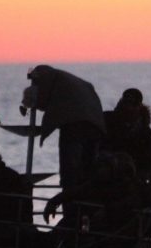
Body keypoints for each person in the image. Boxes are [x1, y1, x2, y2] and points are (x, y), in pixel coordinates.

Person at [24, 65, 106, 223]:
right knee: (87, 172)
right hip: (95, 126)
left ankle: (71, 216)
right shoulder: (66, 82)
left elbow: (48, 110)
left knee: (70, 173)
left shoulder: (49, 81)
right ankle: (84, 214)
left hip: (76, 127)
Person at [99, 88, 151, 176]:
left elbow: (150, 166)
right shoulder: (105, 120)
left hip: (131, 182)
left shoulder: (147, 135)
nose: (128, 107)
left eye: (133, 104)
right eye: (126, 102)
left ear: (139, 107)